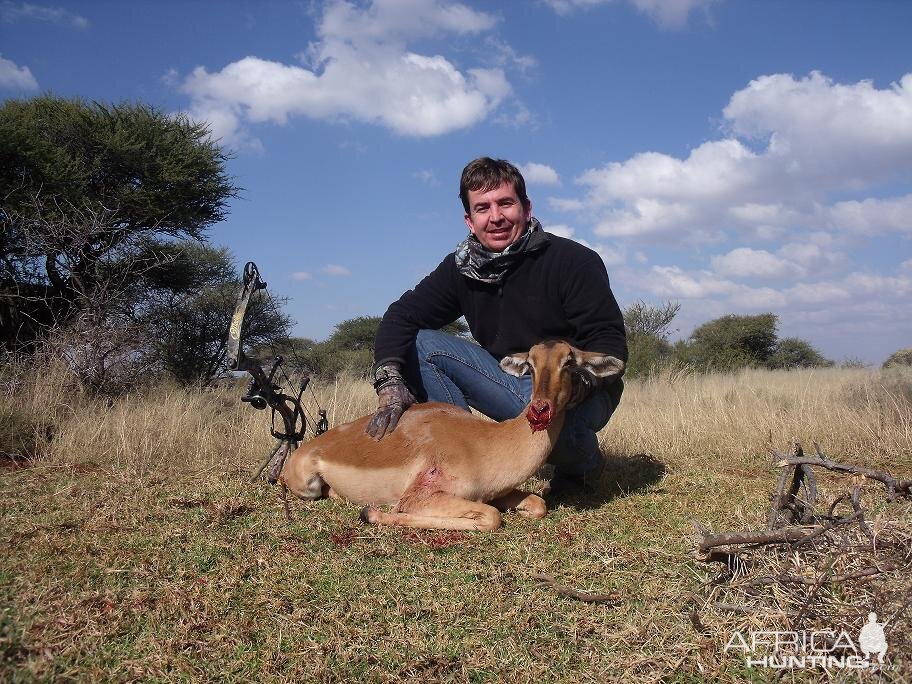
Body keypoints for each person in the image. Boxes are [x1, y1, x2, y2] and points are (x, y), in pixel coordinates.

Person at [366, 157, 627, 494]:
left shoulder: (573, 261)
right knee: (422, 344)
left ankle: (584, 467)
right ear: (469, 220)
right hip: (515, 378)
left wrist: (572, 389)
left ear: (526, 207)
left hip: (578, 390)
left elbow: (610, 344)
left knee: (559, 431)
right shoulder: (462, 268)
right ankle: (459, 460)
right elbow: (401, 316)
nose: (496, 217)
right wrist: (390, 384)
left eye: (506, 203)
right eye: (482, 208)